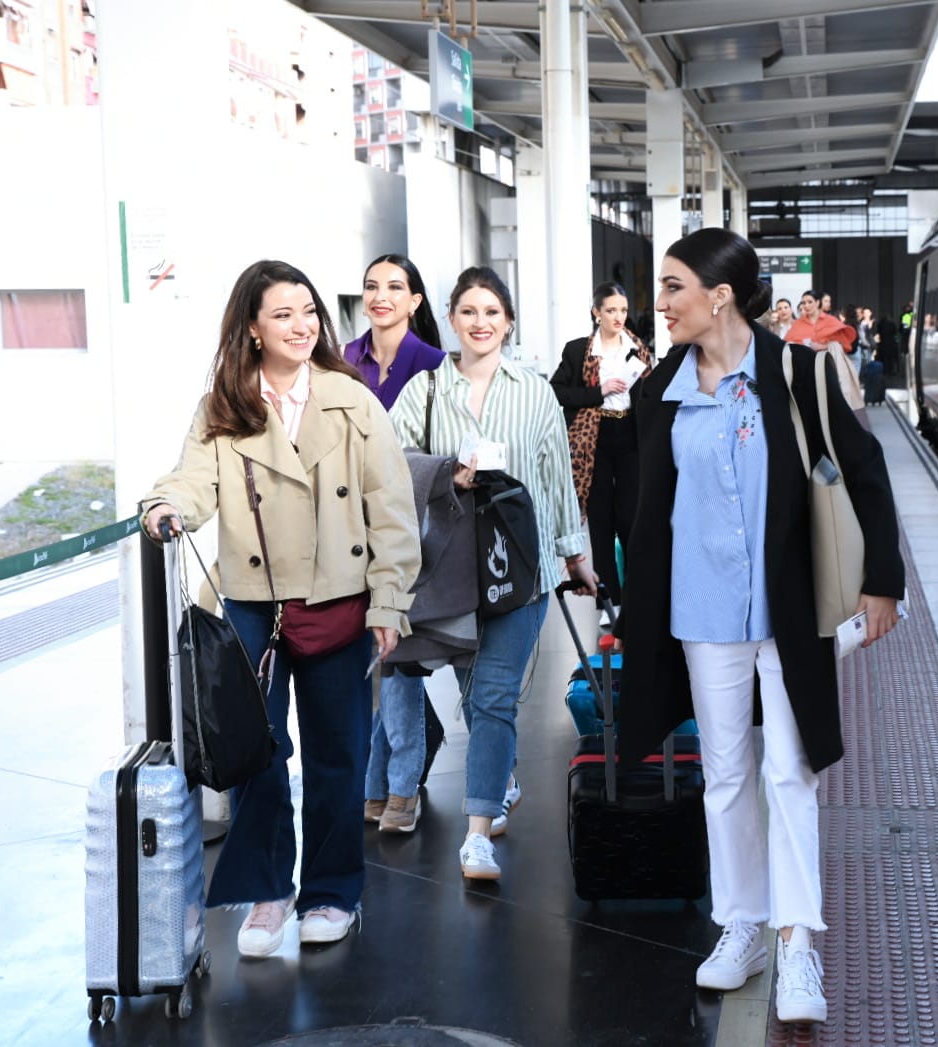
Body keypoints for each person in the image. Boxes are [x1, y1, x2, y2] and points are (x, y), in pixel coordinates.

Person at [618, 228, 905, 1025]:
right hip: (699, 609)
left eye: (673, 287)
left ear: (718, 295)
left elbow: (865, 472)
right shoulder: (658, 391)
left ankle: (796, 944)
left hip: (790, 605)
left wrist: (881, 581)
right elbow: (645, 509)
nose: (660, 302)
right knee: (725, 774)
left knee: (791, 768)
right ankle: (739, 924)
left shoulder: (799, 373)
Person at [139, 259, 419, 956]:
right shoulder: (223, 406)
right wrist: (166, 504)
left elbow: (392, 512)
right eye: (283, 314)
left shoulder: (353, 402)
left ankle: (331, 892)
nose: (302, 326)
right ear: (252, 328)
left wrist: (388, 600)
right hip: (251, 606)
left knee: (338, 756)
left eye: (309, 312)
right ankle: (268, 891)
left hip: (339, 602)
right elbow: (192, 480)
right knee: (256, 753)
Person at [388, 265, 596, 880]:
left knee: (493, 695)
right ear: (452, 319)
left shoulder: (534, 391)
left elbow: (558, 476)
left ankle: (476, 832)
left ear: (508, 323)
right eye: (469, 312)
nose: (481, 323)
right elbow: (390, 466)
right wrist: (444, 473)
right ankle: (496, 775)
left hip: (520, 571)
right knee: (477, 696)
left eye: (492, 313)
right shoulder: (424, 391)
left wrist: (574, 554)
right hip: (449, 571)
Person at [344, 253, 448, 835]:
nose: (380, 295)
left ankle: (393, 785)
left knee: (398, 658)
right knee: (379, 657)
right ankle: (386, 777)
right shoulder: (341, 363)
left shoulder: (433, 366)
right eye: (371, 286)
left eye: (394, 287)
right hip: (349, 526)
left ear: (415, 301)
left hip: (413, 524)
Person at [550, 281, 654, 623]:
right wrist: (599, 390)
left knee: (631, 519)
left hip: (630, 436)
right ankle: (609, 604)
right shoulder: (579, 350)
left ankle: (637, 597)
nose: (618, 317)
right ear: (596, 312)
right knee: (600, 521)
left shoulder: (638, 349)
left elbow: (650, 395)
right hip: (593, 438)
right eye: (611, 310)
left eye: (623, 310)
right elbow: (558, 392)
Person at [785, 289, 863, 407]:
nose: (806, 305)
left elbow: (846, 346)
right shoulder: (798, 324)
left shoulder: (831, 321)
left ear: (817, 302)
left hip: (829, 370)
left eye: (809, 302)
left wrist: (825, 346)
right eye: (803, 303)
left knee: (831, 406)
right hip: (806, 373)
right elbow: (787, 345)